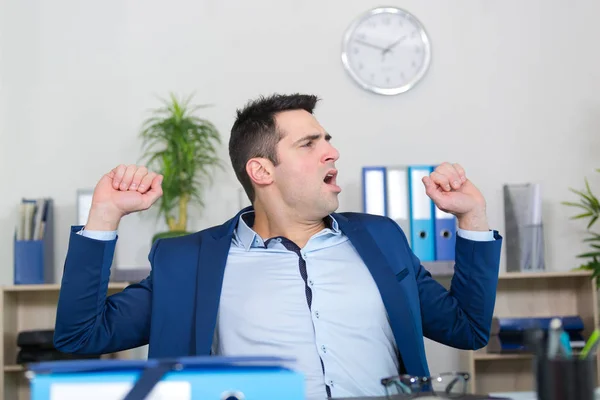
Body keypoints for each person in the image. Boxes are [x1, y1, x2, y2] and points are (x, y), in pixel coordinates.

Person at [54, 93, 502, 399]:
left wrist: (472, 218)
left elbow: (466, 329)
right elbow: (80, 337)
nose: (332, 152)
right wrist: (104, 217)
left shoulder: (382, 238)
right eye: (310, 143)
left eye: (327, 139)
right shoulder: (187, 262)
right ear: (262, 171)